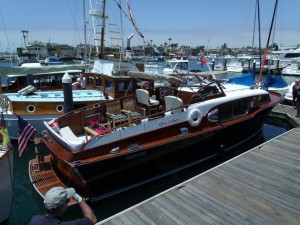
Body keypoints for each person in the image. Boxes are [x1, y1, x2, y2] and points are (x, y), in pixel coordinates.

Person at [29, 186, 97, 225]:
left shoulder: (34, 220)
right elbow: (92, 219)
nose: (68, 202)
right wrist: (79, 199)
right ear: (61, 207)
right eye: (67, 200)